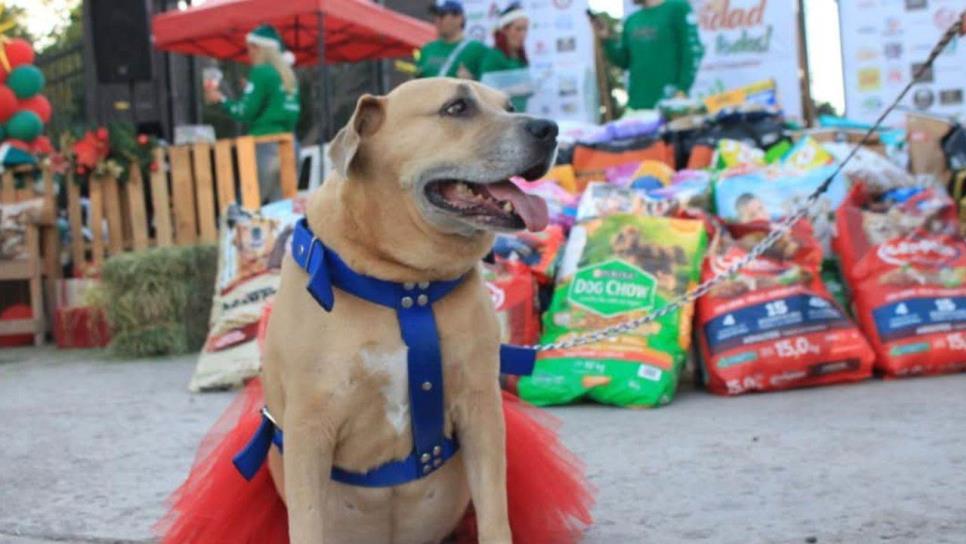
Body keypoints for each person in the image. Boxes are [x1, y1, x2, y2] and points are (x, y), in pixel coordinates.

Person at [204, 24, 301, 203]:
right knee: (282, 211)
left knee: (248, 208)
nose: (248, 54)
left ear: (258, 48)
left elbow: (244, 112)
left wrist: (220, 100)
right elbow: (288, 111)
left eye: (250, 49)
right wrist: (250, 90)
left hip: (264, 145)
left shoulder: (261, 72)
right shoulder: (287, 75)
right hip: (290, 144)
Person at [592, 0, 704, 111]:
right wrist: (607, 40)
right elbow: (623, 61)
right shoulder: (632, 20)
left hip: (670, 104)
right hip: (636, 105)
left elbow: (691, 51)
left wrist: (682, 90)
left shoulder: (677, 8)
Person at [479, 3, 533, 113]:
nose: (523, 34)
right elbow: (486, 92)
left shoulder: (521, 57)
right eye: (518, 29)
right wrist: (517, 89)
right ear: (504, 30)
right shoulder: (495, 56)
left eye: (525, 29)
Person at [415, 0, 488, 79]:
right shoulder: (427, 49)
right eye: (436, 16)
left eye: (442, 16)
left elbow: (489, 85)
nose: (437, 20)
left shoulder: (477, 50)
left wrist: (471, 81)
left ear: (459, 18)